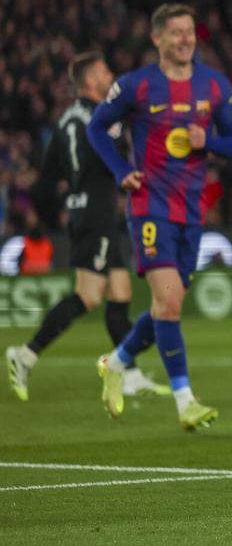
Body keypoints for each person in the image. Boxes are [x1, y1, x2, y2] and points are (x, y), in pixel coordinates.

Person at [87, 4, 232, 431]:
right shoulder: (136, 85)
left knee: (165, 305)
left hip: (191, 210)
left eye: (189, 31)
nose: (185, 39)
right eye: (176, 32)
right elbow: (96, 128)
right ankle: (185, 402)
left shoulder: (214, 83)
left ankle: (116, 363)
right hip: (150, 205)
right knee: (169, 304)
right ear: (157, 38)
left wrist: (207, 140)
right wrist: (121, 171)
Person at [6, 53, 169, 401]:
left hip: (88, 212)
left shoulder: (65, 120)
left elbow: (45, 182)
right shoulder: (100, 116)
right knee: (89, 295)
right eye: (104, 71)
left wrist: (62, 208)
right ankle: (25, 354)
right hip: (96, 212)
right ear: (90, 80)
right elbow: (110, 155)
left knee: (121, 291)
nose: (110, 75)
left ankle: (129, 374)